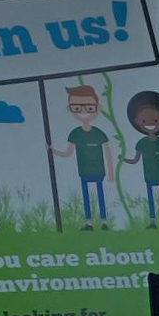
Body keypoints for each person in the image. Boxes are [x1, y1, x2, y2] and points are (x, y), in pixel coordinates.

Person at [51, 84, 113, 229]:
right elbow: (68, 153)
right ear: (70, 109)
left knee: (100, 195)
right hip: (84, 171)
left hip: (98, 171)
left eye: (89, 107)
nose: (84, 112)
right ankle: (89, 222)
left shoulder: (99, 133)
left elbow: (108, 154)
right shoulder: (75, 133)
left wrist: (111, 173)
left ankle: (104, 222)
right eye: (77, 108)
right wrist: (53, 150)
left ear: (97, 108)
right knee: (86, 197)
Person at [120, 90, 159, 225]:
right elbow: (136, 159)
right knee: (151, 198)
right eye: (144, 120)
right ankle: (152, 221)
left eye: (155, 120)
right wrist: (123, 159)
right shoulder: (141, 143)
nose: (150, 123)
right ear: (138, 122)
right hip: (149, 176)